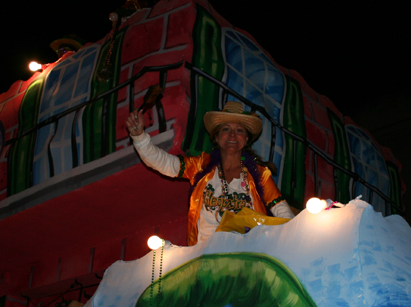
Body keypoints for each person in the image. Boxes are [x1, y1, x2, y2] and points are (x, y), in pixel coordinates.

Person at [126, 101, 294, 245]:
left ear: (247, 139)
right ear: (216, 137)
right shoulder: (200, 166)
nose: (232, 135)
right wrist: (140, 137)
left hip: (246, 257)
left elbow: (282, 211)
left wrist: (294, 238)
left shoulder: (259, 174)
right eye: (226, 129)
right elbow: (164, 163)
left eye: (240, 130)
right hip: (204, 256)